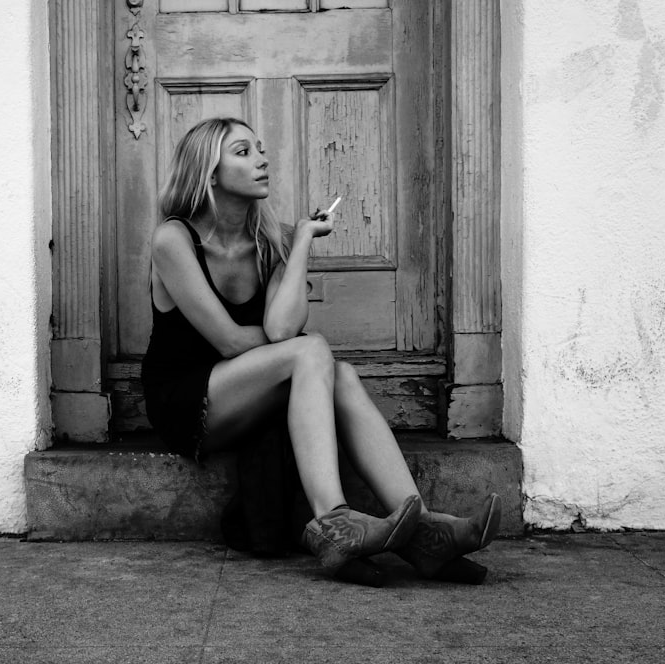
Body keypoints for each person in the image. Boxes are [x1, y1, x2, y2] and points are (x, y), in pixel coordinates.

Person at [141, 116, 500, 584]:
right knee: (313, 352)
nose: (263, 160)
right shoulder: (174, 238)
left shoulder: (269, 240)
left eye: (261, 149)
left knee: (339, 371)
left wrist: (302, 240)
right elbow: (229, 341)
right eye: (243, 152)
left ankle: (425, 530)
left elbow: (281, 326)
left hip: (249, 394)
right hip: (187, 401)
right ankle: (333, 522)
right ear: (209, 172)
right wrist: (297, 350)